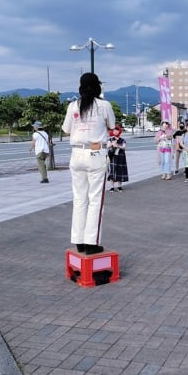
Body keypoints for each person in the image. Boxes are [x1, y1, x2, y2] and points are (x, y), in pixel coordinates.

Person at [62, 72, 115, 255]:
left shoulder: (72, 106)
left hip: (77, 153)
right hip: (96, 153)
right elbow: (112, 125)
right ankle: (92, 242)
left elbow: (66, 130)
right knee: (95, 200)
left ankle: (79, 241)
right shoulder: (104, 105)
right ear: (98, 86)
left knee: (79, 199)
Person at [107, 125, 128, 192]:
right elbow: (107, 146)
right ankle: (112, 187)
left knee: (120, 171)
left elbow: (124, 147)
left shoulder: (122, 140)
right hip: (113, 157)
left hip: (120, 157)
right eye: (114, 130)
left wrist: (118, 145)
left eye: (117, 130)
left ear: (119, 131)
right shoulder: (111, 139)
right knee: (112, 171)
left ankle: (119, 186)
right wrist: (112, 144)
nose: (115, 131)